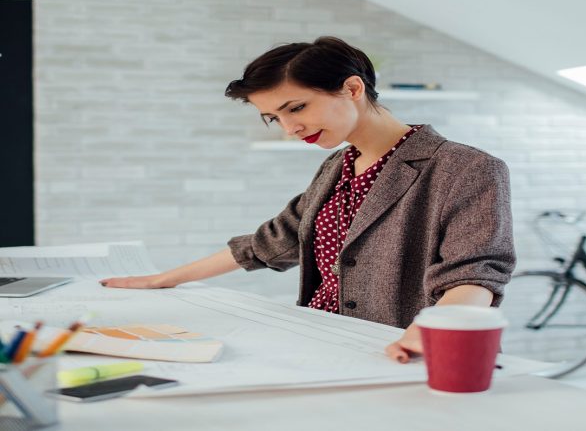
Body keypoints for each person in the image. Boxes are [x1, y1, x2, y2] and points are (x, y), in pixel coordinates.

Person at [100, 36, 516, 363]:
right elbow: (270, 242)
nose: (289, 128)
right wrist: (162, 280)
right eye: (275, 118)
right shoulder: (335, 167)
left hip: (407, 356)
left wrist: (438, 327)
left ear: (352, 88)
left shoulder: (465, 168)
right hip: (326, 345)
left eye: (296, 107)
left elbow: (475, 274)